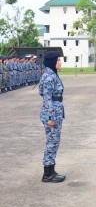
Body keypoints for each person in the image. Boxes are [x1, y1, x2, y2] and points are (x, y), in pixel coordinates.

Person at [39, 51, 65, 183]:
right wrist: (51, 117)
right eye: (59, 60)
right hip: (52, 115)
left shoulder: (51, 74)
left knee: (53, 142)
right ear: (53, 61)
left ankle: (51, 170)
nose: (60, 62)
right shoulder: (50, 77)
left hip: (54, 113)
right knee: (52, 143)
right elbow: (47, 99)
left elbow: (40, 92)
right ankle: (47, 174)